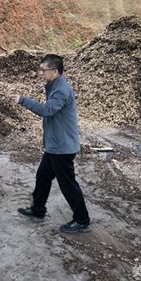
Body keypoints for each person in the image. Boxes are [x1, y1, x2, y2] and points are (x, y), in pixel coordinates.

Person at [10, 54, 91, 233]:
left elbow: (47, 110)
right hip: (55, 145)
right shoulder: (55, 86)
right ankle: (38, 210)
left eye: (43, 70)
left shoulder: (61, 90)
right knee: (43, 176)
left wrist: (22, 100)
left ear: (55, 71)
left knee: (68, 185)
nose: (40, 73)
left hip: (62, 148)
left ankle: (82, 220)